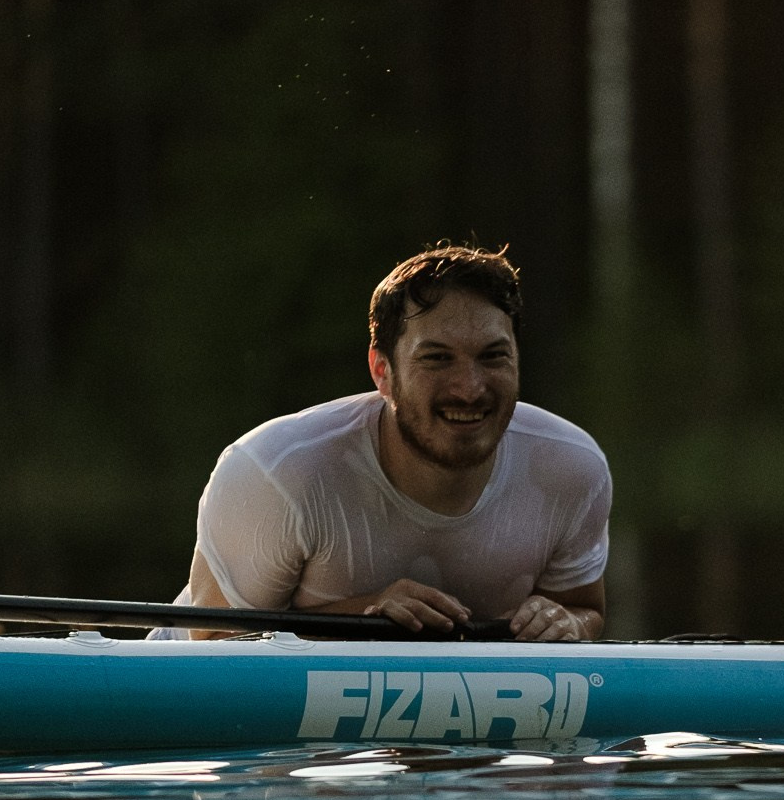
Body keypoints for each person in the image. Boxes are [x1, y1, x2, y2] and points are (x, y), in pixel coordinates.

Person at [185, 244, 608, 642]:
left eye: (493, 356)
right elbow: (212, 645)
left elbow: (582, 609)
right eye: (437, 358)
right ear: (382, 371)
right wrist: (365, 618)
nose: (470, 388)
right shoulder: (277, 470)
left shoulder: (571, 467)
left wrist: (564, 622)